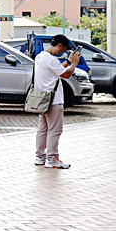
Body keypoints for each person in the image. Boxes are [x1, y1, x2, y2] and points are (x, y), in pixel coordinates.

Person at [33, 35, 82, 168]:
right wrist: (74, 64)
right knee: (55, 130)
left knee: (43, 129)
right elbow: (66, 74)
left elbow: (56, 68)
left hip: (43, 99)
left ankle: (40, 157)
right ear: (59, 45)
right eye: (63, 49)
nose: (62, 52)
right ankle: (52, 159)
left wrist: (67, 61)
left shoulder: (41, 57)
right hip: (54, 101)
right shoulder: (51, 59)